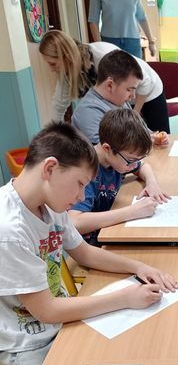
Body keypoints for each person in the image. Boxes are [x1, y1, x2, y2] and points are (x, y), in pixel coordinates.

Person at [0, 123, 178, 365]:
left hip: (62, 321)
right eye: (80, 184)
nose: (82, 196)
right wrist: (125, 298)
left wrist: (137, 267)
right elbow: (47, 311)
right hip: (25, 343)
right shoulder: (10, 230)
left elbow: (84, 253)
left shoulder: (49, 203)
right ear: (50, 169)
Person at [39, 29, 170, 136]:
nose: (51, 69)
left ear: (66, 56)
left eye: (53, 64)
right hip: (124, 100)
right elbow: (58, 107)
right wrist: (53, 137)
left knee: (158, 141)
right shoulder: (68, 75)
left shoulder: (102, 55)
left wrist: (134, 116)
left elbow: (145, 81)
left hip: (149, 92)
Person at [69, 108, 170, 246]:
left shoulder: (118, 159)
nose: (133, 165)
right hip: (90, 244)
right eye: (130, 160)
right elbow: (75, 222)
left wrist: (152, 183)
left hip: (109, 229)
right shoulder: (86, 172)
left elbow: (143, 166)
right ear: (107, 149)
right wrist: (133, 211)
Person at [72, 49, 166, 145]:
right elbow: (104, 150)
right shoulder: (88, 112)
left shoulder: (119, 101)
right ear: (110, 85)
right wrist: (144, 140)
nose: (133, 96)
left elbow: (140, 131)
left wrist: (153, 136)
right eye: (129, 89)